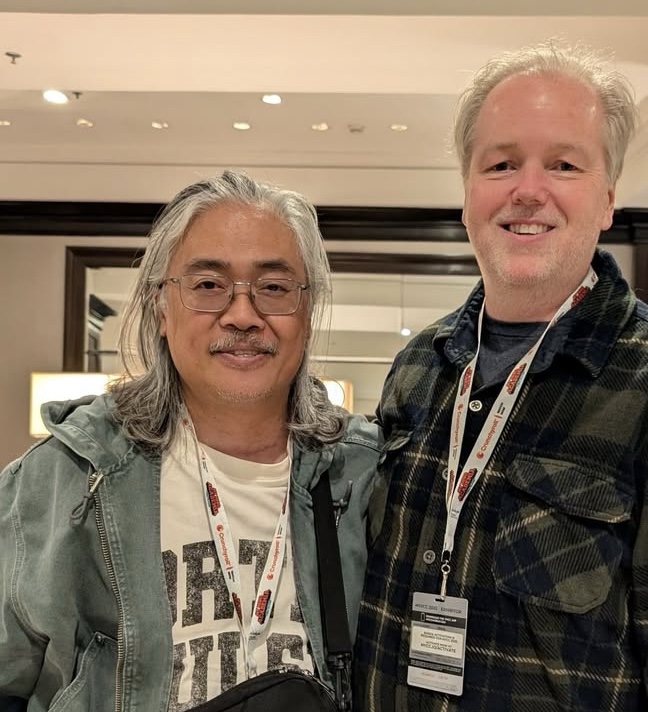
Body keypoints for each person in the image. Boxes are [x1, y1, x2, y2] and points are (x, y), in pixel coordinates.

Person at [355, 41, 648, 711]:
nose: (529, 189)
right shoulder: (419, 371)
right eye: (501, 163)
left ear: (607, 199)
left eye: (563, 163)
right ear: (467, 193)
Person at [0, 171, 380, 711]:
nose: (243, 315)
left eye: (273, 287)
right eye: (208, 286)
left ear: (307, 309)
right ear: (160, 305)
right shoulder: (63, 480)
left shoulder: (365, 479)